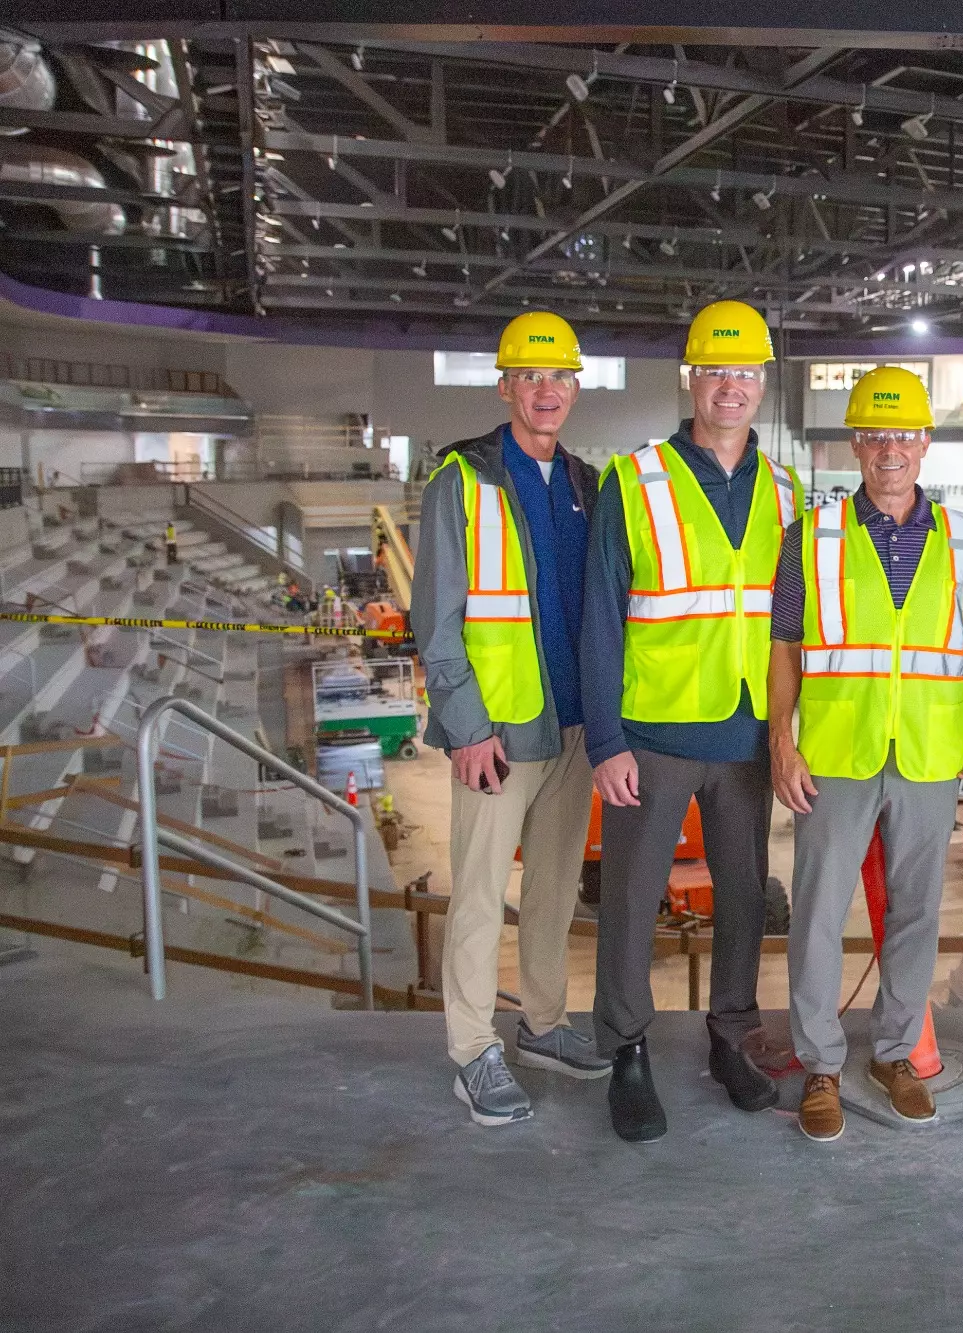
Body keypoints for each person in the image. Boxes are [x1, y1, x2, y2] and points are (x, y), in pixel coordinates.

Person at [581, 299, 802, 1143]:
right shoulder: (634, 480)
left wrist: (790, 728)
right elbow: (600, 618)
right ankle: (627, 1049)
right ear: (692, 378)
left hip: (748, 735)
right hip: (656, 734)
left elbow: (793, 618)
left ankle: (728, 1037)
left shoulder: (782, 487)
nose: (733, 386)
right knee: (634, 902)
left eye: (747, 372)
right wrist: (605, 740)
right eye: (719, 369)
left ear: (761, 383)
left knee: (744, 898)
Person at [768, 367, 963, 1142]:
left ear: (926, 442)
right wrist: (781, 739)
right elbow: (786, 646)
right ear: (856, 443)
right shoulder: (813, 535)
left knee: (916, 915)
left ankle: (896, 1052)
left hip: (931, 755)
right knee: (819, 918)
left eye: (905, 434)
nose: (891, 449)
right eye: (876, 434)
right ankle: (823, 1066)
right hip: (836, 752)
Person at [410, 311, 608, 1127]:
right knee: (482, 895)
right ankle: (470, 1049)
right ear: (505, 387)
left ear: (573, 389)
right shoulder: (462, 479)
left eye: (560, 376)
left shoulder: (588, 484)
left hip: (571, 728)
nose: (547, 390)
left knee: (556, 891)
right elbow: (436, 615)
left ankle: (545, 1023)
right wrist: (465, 725)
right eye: (531, 376)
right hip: (498, 730)